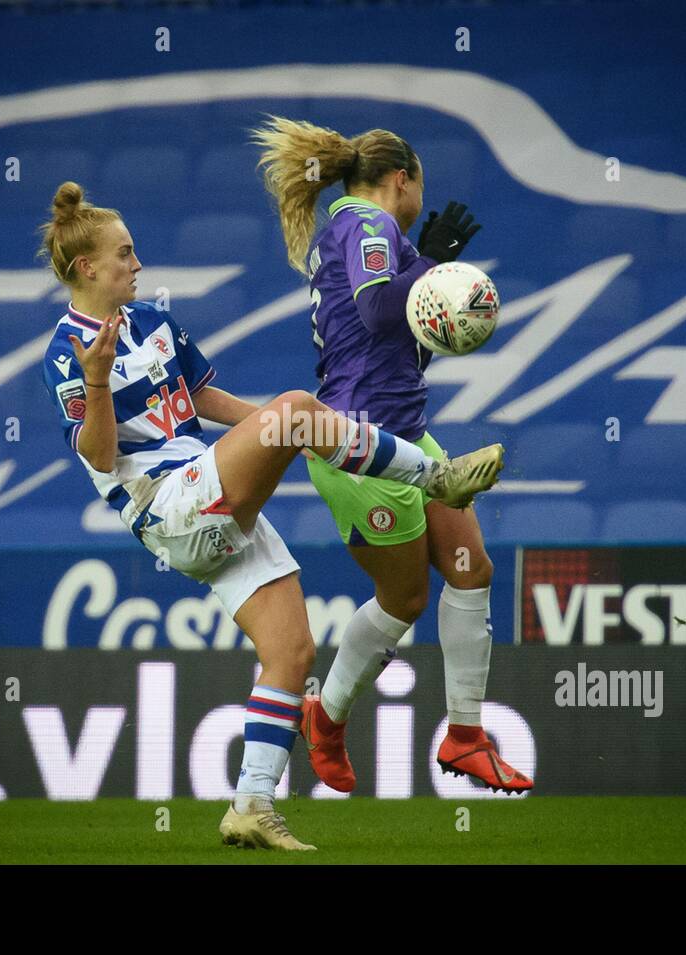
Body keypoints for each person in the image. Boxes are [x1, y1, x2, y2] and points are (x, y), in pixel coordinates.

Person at [37, 182, 505, 849]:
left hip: (211, 494)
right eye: (124, 254)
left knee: (291, 650)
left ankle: (250, 803)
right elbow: (103, 455)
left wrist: (293, 430)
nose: (136, 265)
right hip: (169, 505)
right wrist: (96, 381)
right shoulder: (68, 350)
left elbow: (201, 397)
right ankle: (436, 476)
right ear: (87, 268)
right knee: (296, 407)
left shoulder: (155, 324)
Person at [252, 117, 534, 794]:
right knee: (404, 598)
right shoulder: (369, 226)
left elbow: (387, 340)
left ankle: (466, 736)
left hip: (403, 428)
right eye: (419, 187)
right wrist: (430, 267)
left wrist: (423, 265)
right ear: (401, 180)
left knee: (471, 568)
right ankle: (325, 715)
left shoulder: (357, 233)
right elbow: (383, 313)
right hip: (361, 443)